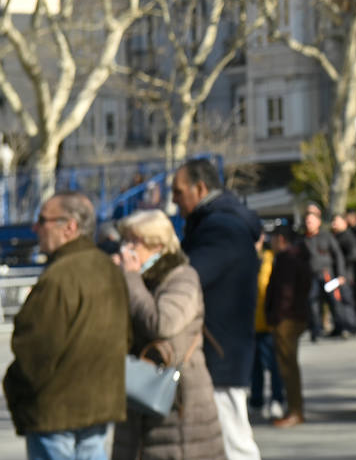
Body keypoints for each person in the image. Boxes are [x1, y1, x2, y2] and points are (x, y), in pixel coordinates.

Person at [4, 193, 129, 460]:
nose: (35, 228)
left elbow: (33, 348)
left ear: (69, 227)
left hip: (56, 410)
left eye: (42, 221)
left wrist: (15, 389)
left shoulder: (61, 275)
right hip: (98, 404)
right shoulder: (107, 269)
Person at [112, 210, 226, 460]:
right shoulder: (135, 280)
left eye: (134, 242)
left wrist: (130, 278)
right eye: (125, 241)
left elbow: (162, 324)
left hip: (177, 397)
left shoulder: (182, 277)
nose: (126, 248)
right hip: (137, 393)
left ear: (158, 245)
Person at [172, 158, 262, 460]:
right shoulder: (218, 223)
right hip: (219, 350)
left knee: (233, 444)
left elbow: (187, 279)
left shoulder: (220, 227)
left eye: (178, 191)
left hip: (219, 353)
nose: (174, 200)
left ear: (200, 188)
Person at [264, 226, 312, 428]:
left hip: (287, 318)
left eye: (273, 239)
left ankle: (295, 411)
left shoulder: (287, 259)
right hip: (293, 315)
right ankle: (294, 409)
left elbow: (285, 291)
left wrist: (277, 316)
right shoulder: (296, 257)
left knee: (288, 367)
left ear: (281, 239)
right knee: (288, 366)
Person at [301, 204, 353, 339]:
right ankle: (316, 329)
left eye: (311, 221)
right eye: (307, 222)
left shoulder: (326, 236)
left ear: (318, 222)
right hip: (311, 275)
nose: (309, 224)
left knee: (335, 302)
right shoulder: (303, 240)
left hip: (327, 274)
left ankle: (342, 327)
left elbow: (338, 255)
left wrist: (341, 274)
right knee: (312, 302)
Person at [249, 230, 285, 421]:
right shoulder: (244, 261)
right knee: (254, 366)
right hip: (250, 323)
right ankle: (256, 400)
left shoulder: (271, 259)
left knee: (274, 365)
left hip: (270, 322)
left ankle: (277, 399)